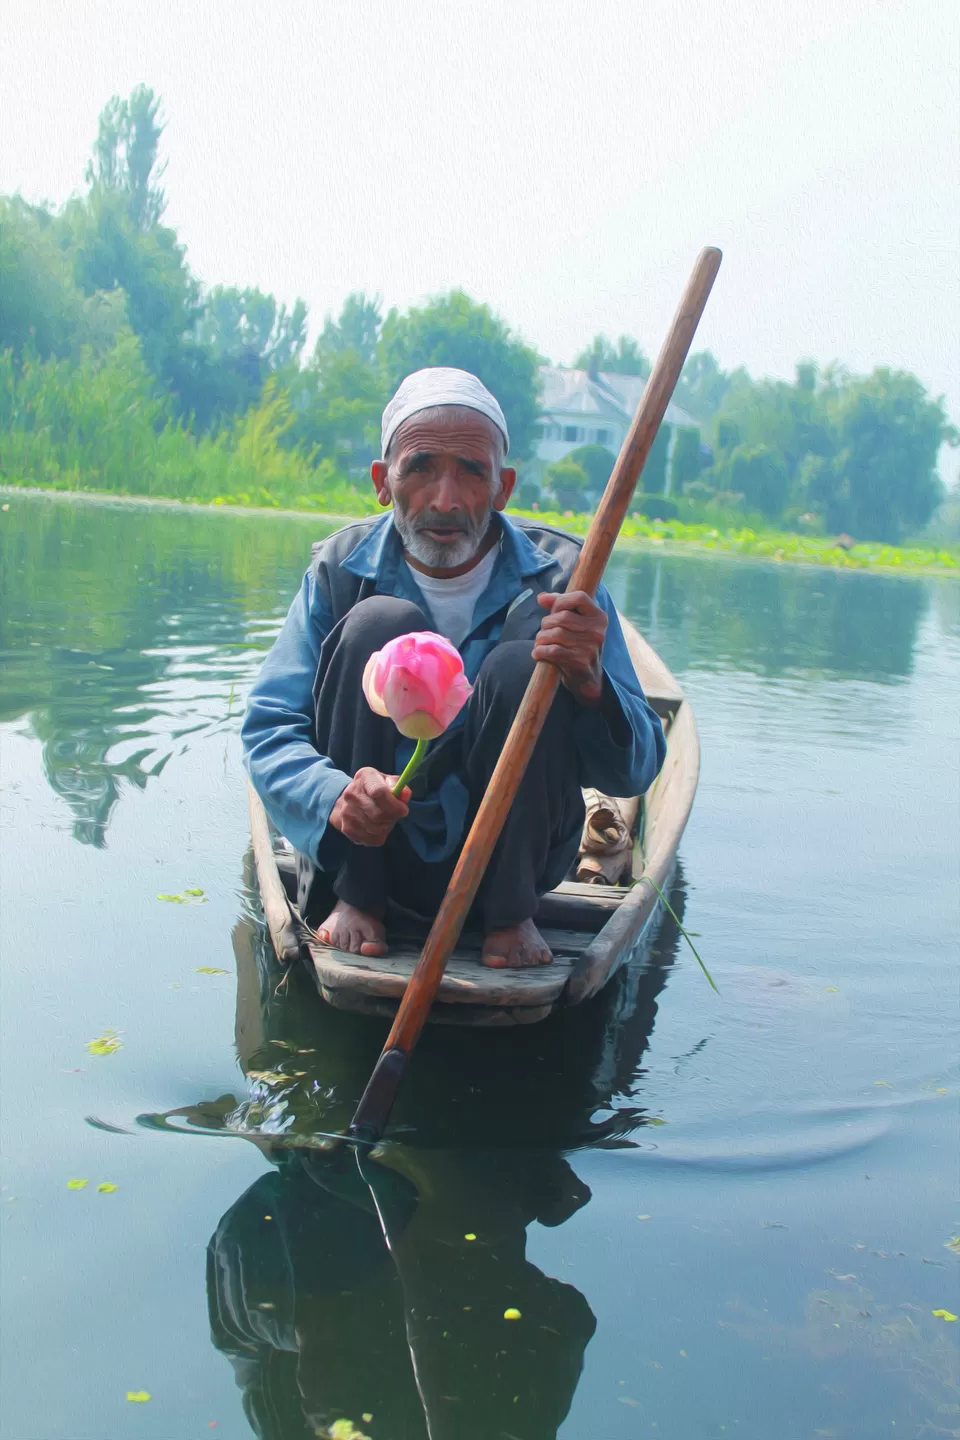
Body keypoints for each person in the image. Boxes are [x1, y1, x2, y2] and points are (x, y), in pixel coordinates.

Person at [242, 367, 665, 968]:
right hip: (370, 856)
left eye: (471, 472)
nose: (445, 499)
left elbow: (636, 769)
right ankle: (359, 900)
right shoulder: (339, 572)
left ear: (503, 487)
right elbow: (267, 730)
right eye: (419, 468)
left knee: (527, 657)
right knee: (376, 627)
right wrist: (335, 798)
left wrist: (592, 686)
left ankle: (508, 917)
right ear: (383, 482)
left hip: (513, 866)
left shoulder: (568, 581)